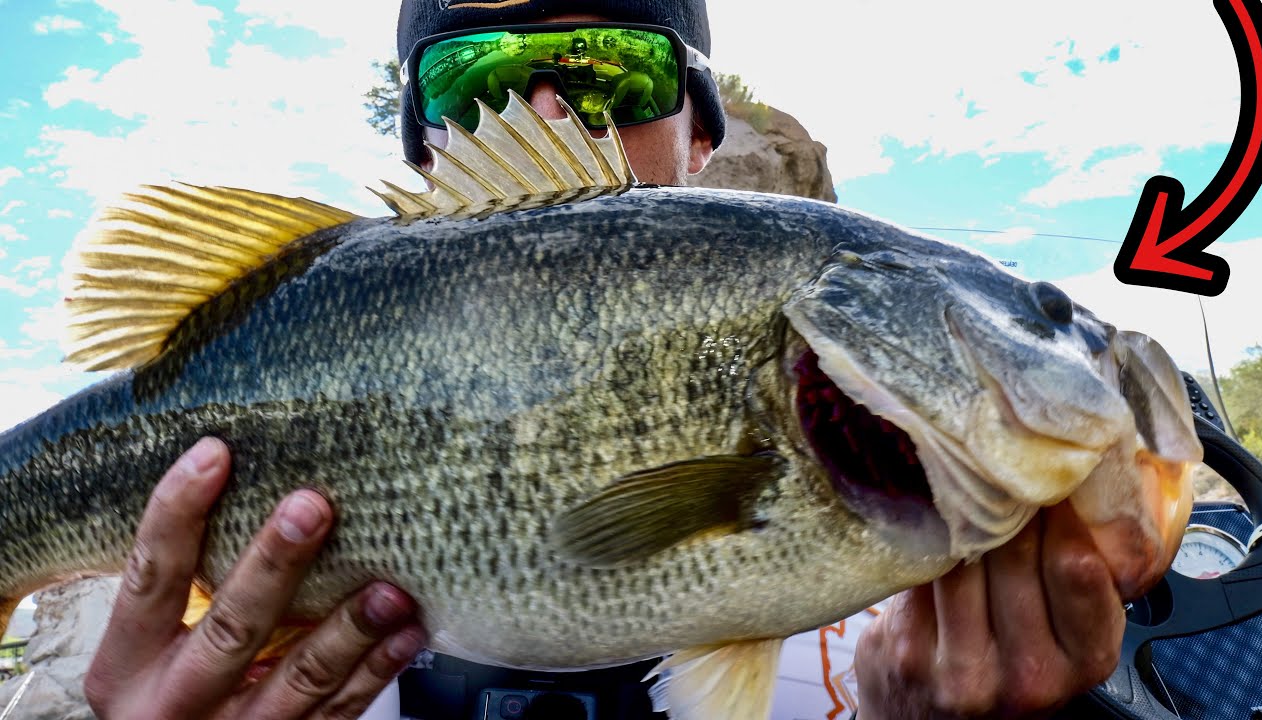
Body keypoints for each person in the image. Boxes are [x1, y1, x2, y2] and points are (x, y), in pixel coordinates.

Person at [84, 1, 1137, 718]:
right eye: (475, 76)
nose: (549, 109)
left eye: (615, 70)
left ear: (699, 137)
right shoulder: (156, 617)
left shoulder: (918, 624)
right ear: (421, 144)